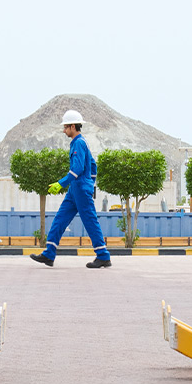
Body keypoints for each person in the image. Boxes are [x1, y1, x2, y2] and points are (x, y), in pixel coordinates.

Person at [31, 109, 112, 269]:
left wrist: (61, 183)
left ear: (73, 127)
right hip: (76, 190)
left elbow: (77, 168)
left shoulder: (79, 143)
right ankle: (49, 254)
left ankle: (103, 256)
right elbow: (93, 165)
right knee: (60, 220)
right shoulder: (80, 143)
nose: (64, 130)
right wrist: (91, 182)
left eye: (66, 127)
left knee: (90, 221)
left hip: (80, 189)